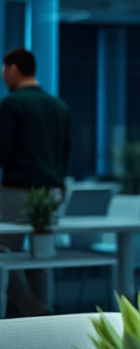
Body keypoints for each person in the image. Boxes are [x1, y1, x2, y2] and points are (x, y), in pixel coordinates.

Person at [0, 48, 71, 317]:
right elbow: (65, 151)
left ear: (15, 70)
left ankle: (34, 309)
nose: (4, 77)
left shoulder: (12, 103)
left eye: (4, 71)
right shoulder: (59, 106)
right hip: (51, 193)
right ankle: (42, 319)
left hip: (19, 191)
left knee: (4, 252)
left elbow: (2, 151)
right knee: (41, 258)